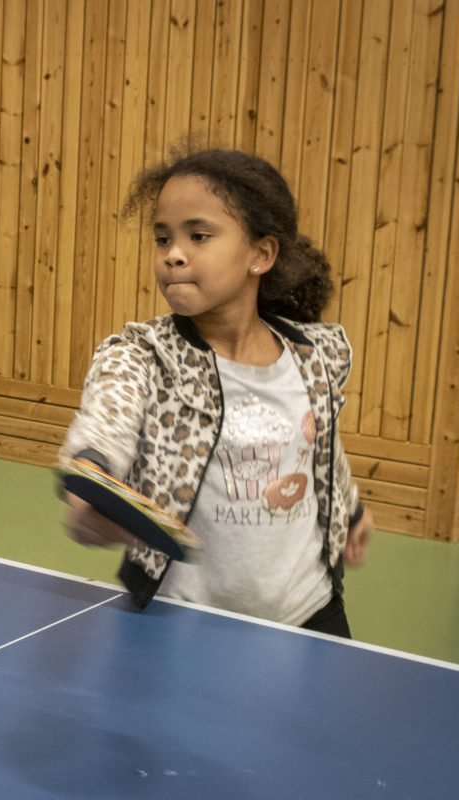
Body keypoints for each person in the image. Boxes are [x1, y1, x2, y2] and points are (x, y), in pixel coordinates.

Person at [61, 148, 373, 637]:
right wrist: (93, 478)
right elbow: (108, 415)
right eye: (162, 238)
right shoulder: (145, 355)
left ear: (261, 254)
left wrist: (349, 507)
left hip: (310, 617)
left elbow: (318, 445)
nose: (173, 253)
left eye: (198, 236)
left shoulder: (314, 355)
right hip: (183, 622)